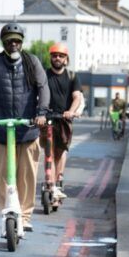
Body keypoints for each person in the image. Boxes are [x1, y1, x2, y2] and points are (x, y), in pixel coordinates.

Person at [0, 23, 48, 232]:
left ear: (22, 42)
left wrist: (41, 113)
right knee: (4, 177)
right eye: (9, 41)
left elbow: (43, 87)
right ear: (3, 43)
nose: (13, 44)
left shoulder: (32, 62)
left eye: (16, 40)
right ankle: (7, 210)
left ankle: (24, 216)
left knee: (27, 175)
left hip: (28, 129)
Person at [40, 43, 83, 199]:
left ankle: (58, 179)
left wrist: (70, 112)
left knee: (61, 150)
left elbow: (77, 96)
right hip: (47, 119)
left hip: (64, 119)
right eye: (54, 55)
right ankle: (49, 181)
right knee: (49, 151)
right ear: (50, 57)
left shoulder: (72, 76)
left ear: (66, 59)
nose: (57, 58)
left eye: (61, 56)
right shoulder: (44, 75)